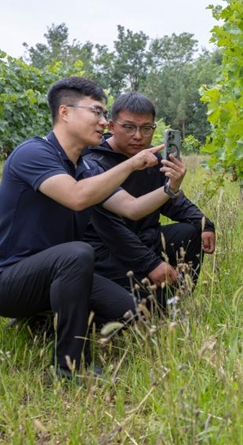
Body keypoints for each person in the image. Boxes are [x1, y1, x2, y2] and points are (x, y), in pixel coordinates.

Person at [0, 77, 186, 382]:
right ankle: (71, 368)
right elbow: (76, 197)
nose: (104, 122)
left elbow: (132, 208)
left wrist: (171, 188)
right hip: (3, 283)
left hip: (55, 277)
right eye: (97, 112)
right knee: (77, 253)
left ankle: (41, 320)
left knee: (132, 313)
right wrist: (130, 165)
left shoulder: (85, 167)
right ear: (65, 112)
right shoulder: (33, 154)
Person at [83, 92, 215, 305]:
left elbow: (172, 200)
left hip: (144, 239)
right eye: (128, 127)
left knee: (192, 232)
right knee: (145, 308)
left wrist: (205, 223)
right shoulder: (93, 164)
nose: (138, 136)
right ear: (111, 127)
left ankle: (179, 301)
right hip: (107, 251)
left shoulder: (152, 159)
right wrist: (151, 263)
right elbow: (112, 231)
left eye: (146, 129)